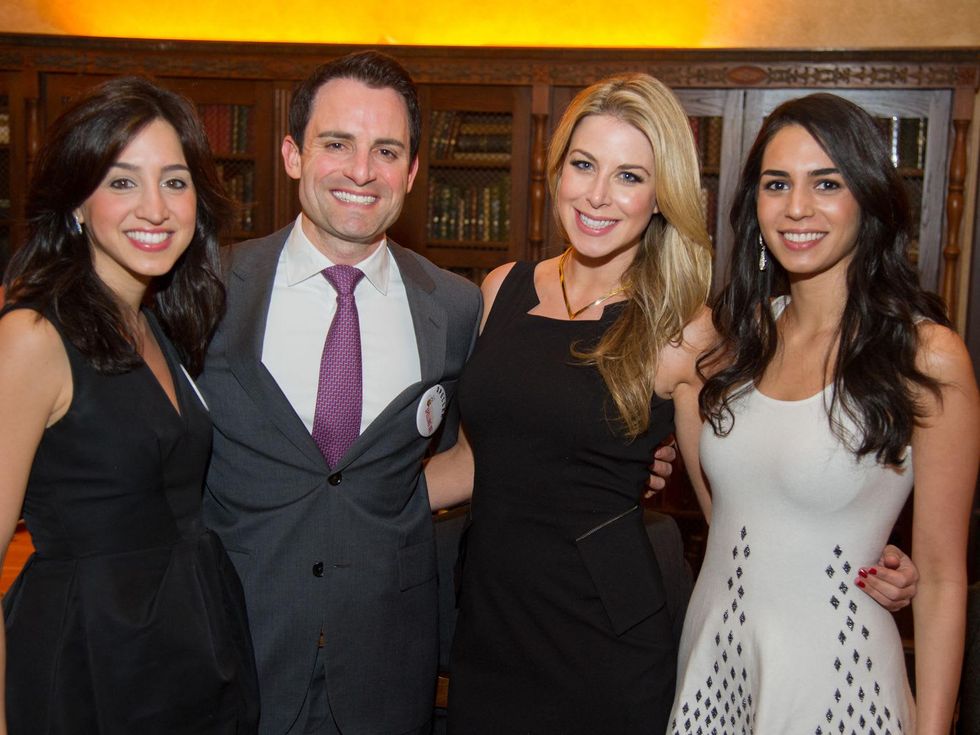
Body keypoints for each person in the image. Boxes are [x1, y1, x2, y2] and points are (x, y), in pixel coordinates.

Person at [424, 78, 925, 734]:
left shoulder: (689, 330)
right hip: (489, 619)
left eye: (629, 175)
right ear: (556, 173)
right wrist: (347, 500)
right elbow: (474, 459)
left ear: (661, 196)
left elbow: (744, 500)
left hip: (606, 641)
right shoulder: (501, 289)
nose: (598, 195)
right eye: (583, 165)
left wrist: (873, 559)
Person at [669, 93, 979, 734]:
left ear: (867, 198)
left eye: (827, 183)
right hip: (714, 662)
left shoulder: (925, 356)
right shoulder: (732, 338)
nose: (797, 208)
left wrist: (935, 728)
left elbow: (945, 576)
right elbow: (724, 508)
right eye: (776, 183)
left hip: (838, 678)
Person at [196, 51, 483, 735]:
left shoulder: (454, 307)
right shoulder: (206, 291)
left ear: (412, 170)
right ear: (293, 153)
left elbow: (478, 447)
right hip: (232, 653)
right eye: (337, 144)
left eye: (386, 150)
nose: (361, 171)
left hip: (387, 666)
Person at [0, 77, 258, 733]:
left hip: (185, 651)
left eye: (175, 181)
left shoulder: (158, 324)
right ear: (77, 201)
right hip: (90, 662)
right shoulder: (31, 336)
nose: (155, 207)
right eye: (121, 181)